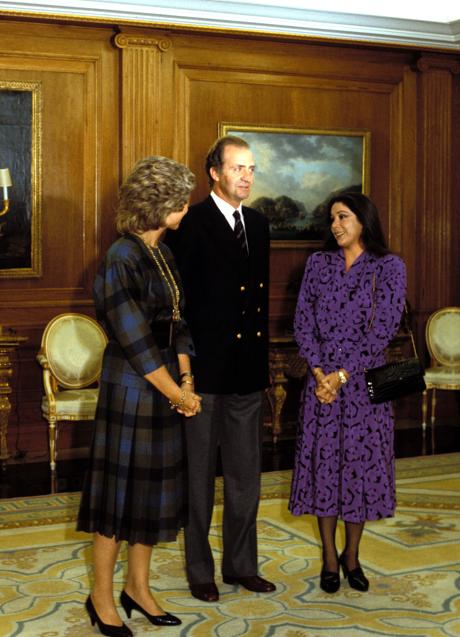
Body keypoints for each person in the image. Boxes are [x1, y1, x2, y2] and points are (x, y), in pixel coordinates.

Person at [77, 156, 201, 637]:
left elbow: (179, 326)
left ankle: (139, 588)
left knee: (152, 494)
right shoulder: (119, 257)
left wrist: (186, 382)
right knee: (118, 497)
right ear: (158, 204)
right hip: (131, 386)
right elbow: (136, 343)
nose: (185, 209)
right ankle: (102, 599)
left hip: (167, 384)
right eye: (180, 201)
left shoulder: (164, 256)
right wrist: (179, 393)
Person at [166, 135, 276, 602]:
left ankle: (241, 565)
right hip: (204, 375)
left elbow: (257, 301)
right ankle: (199, 571)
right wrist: (183, 374)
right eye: (237, 168)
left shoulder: (258, 223)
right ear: (214, 171)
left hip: (246, 373)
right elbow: (178, 308)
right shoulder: (189, 224)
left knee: (246, 478)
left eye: (251, 169)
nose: (246, 177)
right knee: (197, 481)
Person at [289, 192, 406, 594]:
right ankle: (327, 556)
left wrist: (341, 375)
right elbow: (303, 322)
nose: (334, 225)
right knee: (324, 469)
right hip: (322, 386)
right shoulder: (318, 264)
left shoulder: (389, 267)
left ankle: (351, 555)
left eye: (342, 217)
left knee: (358, 470)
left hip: (366, 385)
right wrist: (322, 374)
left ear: (364, 220)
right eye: (331, 219)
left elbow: (384, 329)